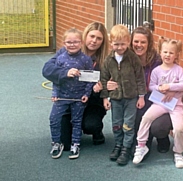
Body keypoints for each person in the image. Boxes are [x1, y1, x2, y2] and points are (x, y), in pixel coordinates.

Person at [107, 26, 173, 158]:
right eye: (136, 41)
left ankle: (162, 138)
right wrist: (109, 83)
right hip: (135, 101)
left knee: (158, 127)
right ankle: (138, 142)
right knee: (134, 144)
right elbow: (110, 75)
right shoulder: (124, 58)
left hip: (157, 101)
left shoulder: (158, 60)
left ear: (149, 44)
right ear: (131, 42)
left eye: (143, 42)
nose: (139, 45)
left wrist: (172, 88)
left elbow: (182, 77)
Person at [42, 22, 109, 150]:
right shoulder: (67, 51)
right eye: (92, 36)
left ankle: (96, 131)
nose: (94, 41)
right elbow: (47, 69)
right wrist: (65, 73)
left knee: (90, 124)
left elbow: (110, 86)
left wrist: (100, 89)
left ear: (103, 41)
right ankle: (73, 129)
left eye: (99, 38)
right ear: (85, 37)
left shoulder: (105, 60)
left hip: (91, 102)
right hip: (69, 99)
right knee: (65, 144)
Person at [133, 37, 183, 168]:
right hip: (160, 103)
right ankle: (141, 146)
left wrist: (170, 87)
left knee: (179, 129)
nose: (167, 55)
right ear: (160, 52)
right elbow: (151, 86)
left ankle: (178, 153)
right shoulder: (156, 70)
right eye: (165, 52)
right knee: (146, 118)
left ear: (176, 55)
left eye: (171, 53)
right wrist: (159, 88)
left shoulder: (178, 70)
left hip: (175, 105)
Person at [100, 24, 146, 165]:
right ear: (111, 42)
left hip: (131, 98)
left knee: (128, 124)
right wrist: (105, 97)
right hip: (115, 98)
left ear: (128, 42)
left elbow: (140, 78)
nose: (119, 47)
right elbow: (104, 79)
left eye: (123, 44)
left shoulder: (132, 58)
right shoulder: (108, 60)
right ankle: (118, 145)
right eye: (116, 44)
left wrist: (141, 96)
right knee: (116, 123)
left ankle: (126, 148)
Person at [47, 28, 94, 159]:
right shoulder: (60, 59)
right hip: (62, 97)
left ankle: (76, 144)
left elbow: (90, 80)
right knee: (53, 119)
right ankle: (56, 143)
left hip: (78, 98)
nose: (72, 44)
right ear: (63, 43)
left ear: (81, 43)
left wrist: (87, 94)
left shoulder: (86, 59)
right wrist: (55, 93)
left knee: (76, 121)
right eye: (69, 42)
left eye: (75, 42)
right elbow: (56, 79)